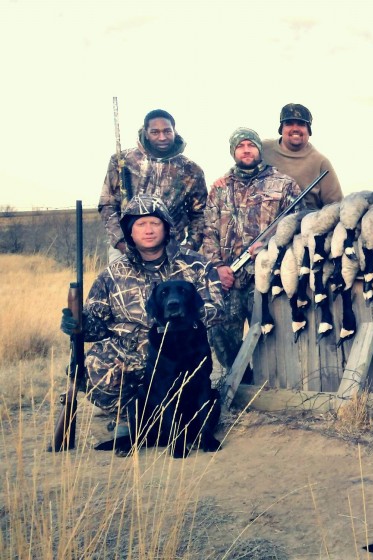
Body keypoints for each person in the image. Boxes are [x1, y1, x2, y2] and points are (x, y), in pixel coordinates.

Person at [60, 195, 222, 442]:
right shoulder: (113, 274)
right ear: (130, 233)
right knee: (91, 364)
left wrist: (181, 321)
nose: (148, 230)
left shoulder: (196, 264)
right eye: (140, 224)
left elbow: (216, 308)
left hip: (179, 353)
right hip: (130, 358)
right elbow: (96, 325)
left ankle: (187, 417)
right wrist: (76, 324)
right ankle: (129, 417)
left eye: (155, 223)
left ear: (167, 227)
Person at [203, 128, 301, 370]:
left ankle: (269, 386)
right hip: (228, 278)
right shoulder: (220, 188)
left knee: (274, 334)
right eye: (240, 146)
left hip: (267, 276)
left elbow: (297, 224)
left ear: (259, 149)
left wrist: (268, 244)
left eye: (251, 145)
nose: (246, 150)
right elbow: (208, 231)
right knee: (220, 335)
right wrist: (218, 268)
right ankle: (239, 382)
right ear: (233, 151)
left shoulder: (284, 184)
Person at [98, 109, 209, 261]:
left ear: (174, 131)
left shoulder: (191, 170)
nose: (162, 137)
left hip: (172, 250)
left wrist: (189, 247)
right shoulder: (122, 161)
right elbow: (107, 204)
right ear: (145, 132)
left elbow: (199, 214)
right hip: (127, 249)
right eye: (155, 132)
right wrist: (122, 243)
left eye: (167, 131)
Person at [261, 103, 342, 209]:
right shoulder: (262, 149)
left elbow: (336, 206)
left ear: (309, 130)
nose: (295, 128)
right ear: (281, 129)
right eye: (289, 123)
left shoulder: (321, 162)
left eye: (301, 124)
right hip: (263, 223)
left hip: (303, 223)